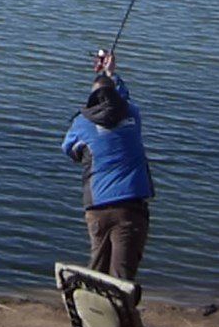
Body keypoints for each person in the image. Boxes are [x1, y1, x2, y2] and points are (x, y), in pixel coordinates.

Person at [60, 48, 154, 282]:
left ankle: (93, 315)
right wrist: (112, 74)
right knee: (122, 278)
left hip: (97, 206)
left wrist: (88, 152)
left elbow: (68, 149)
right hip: (130, 207)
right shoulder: (133, 114)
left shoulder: (82, 123)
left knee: (97, 272)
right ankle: (121, 317)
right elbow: (123, 98)